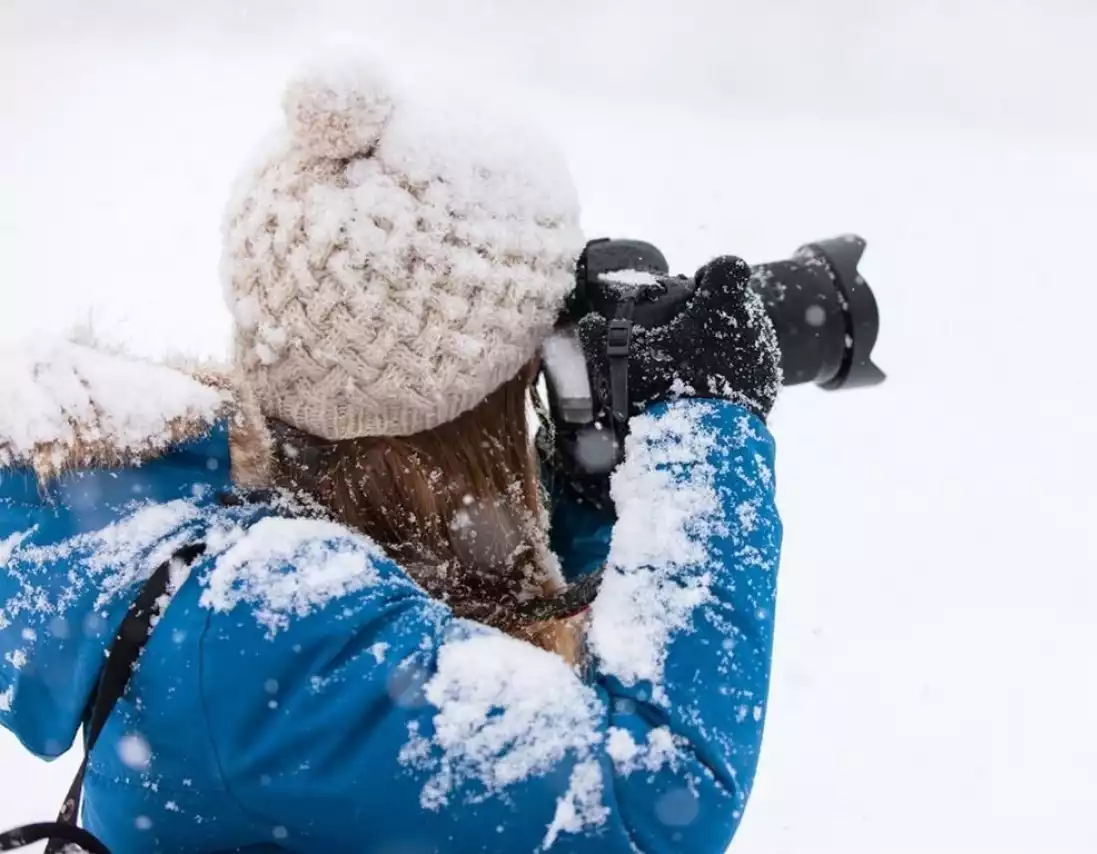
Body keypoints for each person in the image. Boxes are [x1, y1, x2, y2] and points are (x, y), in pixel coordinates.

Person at [0, 56, 782, 854]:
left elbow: (500, 702)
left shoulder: (220, 547)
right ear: (477, 401)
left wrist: (586, 497)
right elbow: (651, 802)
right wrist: (699, 426)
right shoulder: (269, 624)